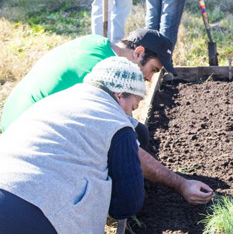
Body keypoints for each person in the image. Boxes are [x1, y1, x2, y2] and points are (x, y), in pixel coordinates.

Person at [0, 29, 214, 206]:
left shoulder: (98, 44)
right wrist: (180, 184)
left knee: (138, 131)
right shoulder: (103, 76)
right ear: (138, 53)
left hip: (15, 118)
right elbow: (126, 146)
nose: (149, 79)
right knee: (121, 147)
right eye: (152, 69)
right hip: (27, 141)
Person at [0, 57, 147, 234]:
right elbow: (127, 205)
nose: (133, 114)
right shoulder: (115, 121)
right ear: (120, 95)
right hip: (28, 210)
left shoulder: (59, 99)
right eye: (134, 105)